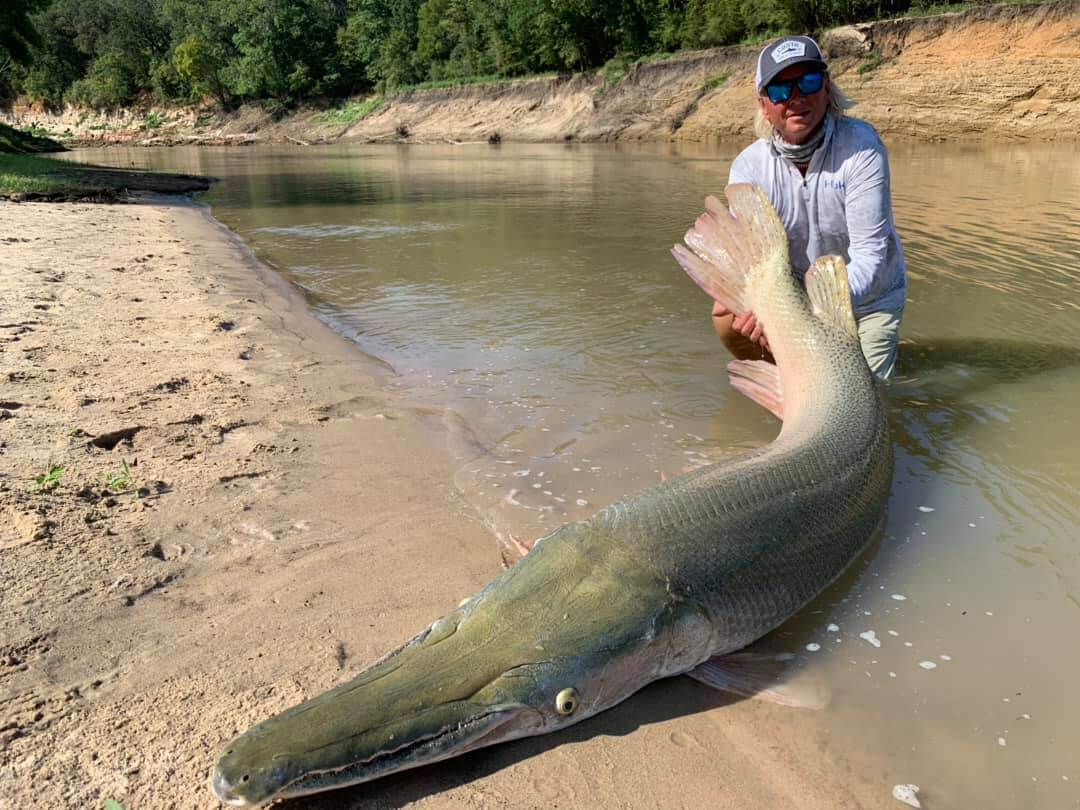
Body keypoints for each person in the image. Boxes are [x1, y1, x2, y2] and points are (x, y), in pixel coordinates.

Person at [713, 35, 907, 382]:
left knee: (865, 400)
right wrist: (765, 310)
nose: (796, 97)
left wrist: (801, 309)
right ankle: (785, 383)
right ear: (763, 104)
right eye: (780, 90)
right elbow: (750, 261)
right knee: (727, 314)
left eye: (808, 81)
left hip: (867, 300)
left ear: (827, 87)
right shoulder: (748, 168)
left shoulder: (861, 148)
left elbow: (870, 258)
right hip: (796, 299)